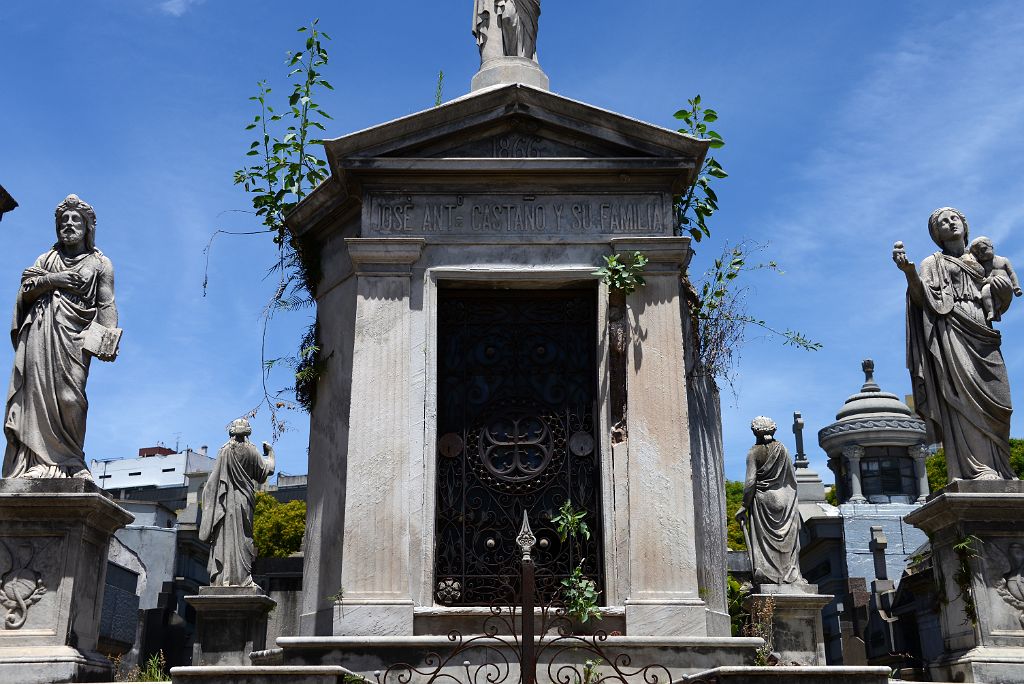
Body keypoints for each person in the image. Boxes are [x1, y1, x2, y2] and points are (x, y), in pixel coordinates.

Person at [893, 208, 1017, 480]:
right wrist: (909, 273)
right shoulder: (931, 262)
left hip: (983, 331)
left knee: (999, 401)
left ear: (964, 223)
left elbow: (1001, 299)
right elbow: (920, 298)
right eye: (942, 223)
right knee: (964, 398)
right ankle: (978, 469)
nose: (949, 224)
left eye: (953, 219)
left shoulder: (984, 258)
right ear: (936, 234)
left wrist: (1004, 289)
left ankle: (1002, 467)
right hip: (951, 330)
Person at [3, 194, 117, 480]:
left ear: (87, 226)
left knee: (71, 398)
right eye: (63, 220)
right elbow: (26, 290)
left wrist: (109, 337)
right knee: (35, 397)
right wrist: (53, 280)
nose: (68, 224)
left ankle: (72, 461)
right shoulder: (46, 259)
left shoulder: (101, 263)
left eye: (74, 219)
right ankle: (38, 462)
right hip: (41, 332)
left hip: (76, 338)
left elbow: (106, 303)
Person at [199, 418, 276, 587]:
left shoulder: (224, 451)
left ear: (231, 432)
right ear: (248, 432)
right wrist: (270, 452)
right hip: (243, 501)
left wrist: (209, 503)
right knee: (243, 539)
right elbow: (266, 471)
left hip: (225, 502)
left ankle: (223, 578)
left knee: (225, 538)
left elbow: (212, 483)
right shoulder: (251, 450)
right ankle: (242, 578)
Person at [736, 416, 805, 586]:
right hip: (786, 500)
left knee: (764, 544)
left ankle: (768, 574)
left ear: (754, 431)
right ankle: (791, 574)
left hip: (764, 500)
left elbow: (750, 482)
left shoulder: (754, 452)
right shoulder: (784, 450)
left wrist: (744, 505)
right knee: (787, 542)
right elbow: (792, 479)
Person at [969, 236, 1023, 323]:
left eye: (983, 249)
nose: (981, 254)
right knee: (985, 290)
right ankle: (991, 311)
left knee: (996, 279)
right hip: (990, 285)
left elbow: (1012, 274)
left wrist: (1016, 287)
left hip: (1004, 283)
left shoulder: (1003, 260)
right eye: (977, 253)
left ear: (991, 246)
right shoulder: (980, 264)